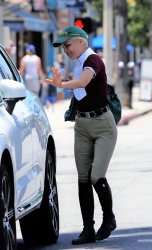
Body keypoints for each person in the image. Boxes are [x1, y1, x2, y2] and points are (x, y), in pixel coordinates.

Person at [46, 26, 117, 245]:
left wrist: (62, 85)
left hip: (103, 126)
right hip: (82, 125)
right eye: (63, 47)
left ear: (79, 41)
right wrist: (64, 83)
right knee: (83, 178)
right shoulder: (78, 64)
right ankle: (88, 230)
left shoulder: (93, 60)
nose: (65, 50)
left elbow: (84, 82)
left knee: (97, 176)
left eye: (67, 45)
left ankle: (109, 219)